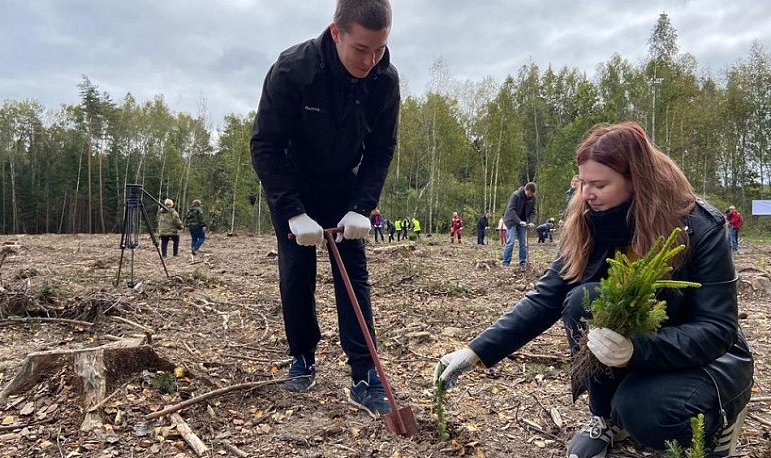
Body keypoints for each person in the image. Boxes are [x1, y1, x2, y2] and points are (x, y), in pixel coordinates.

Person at [435, 121, 753, 458]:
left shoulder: (698, 226)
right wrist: (474, 353)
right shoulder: (588, 220)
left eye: (599, 184)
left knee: (643, 410)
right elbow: (547, 297)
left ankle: (717, 423)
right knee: (581, 300)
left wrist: (637, 349)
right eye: (583, 182)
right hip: (643, 353)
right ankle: (604, 418)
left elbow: (718, 329)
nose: (586, 194)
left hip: (706, 362)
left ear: (638, 181)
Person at [250, 0, 399, 418]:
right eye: (361, 49)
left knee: (353, 270)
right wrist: (293, 211)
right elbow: (265, 146)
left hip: (342, 184)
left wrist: (361, 208)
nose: (371, 61)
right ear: (336, 33)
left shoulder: (384, 80)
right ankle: (302, 355)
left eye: (380, 49)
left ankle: (365, 373)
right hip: (292, 181)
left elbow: (382, 148)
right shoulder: (292, 70)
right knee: (297, 269)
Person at [501, 182, 537, 267]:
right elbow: (511, 210)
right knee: (511, 242)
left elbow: (532, 212)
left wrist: (531, 221)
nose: (529, 196)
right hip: (511, 220)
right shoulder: (515, 195)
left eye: (531, 195)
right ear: (525, 189)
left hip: (523, 222)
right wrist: (518, 221)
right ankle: (505, 262)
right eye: (528, 194)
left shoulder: (532, 199)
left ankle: (523, 262)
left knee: (523, 243)